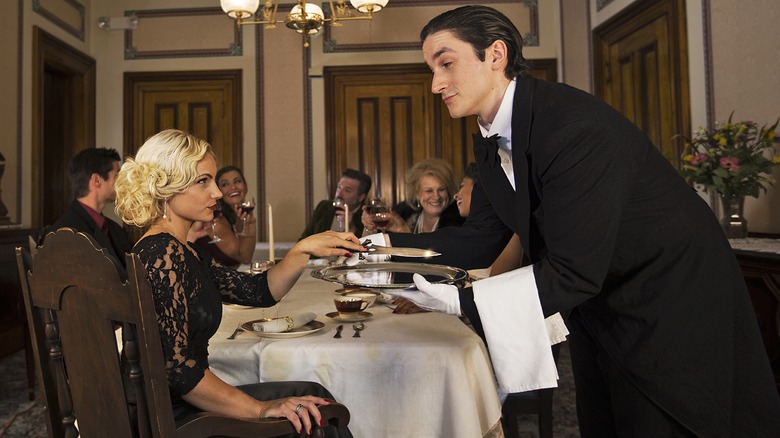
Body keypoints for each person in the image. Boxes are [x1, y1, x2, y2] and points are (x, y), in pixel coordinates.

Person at [387, 5, 780, 436]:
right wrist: (382, 251)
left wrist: (460, 302)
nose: (435, 83)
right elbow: (486, 237)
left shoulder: (573, 126)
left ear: (495, 54)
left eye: (446, 63)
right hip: (600, 302)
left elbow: (573, 271)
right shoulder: (488, 140)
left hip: (669, 297)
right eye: (431, 68)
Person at [114, 129, 361, 437]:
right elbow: (177, 372)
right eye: (203, 181)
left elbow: (258, 291)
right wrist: (260, 409)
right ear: (167, 187)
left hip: (185, 403)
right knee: (317, 419)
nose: (217, 192)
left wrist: (302, 250)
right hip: (169, 420)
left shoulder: (183, 250)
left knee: (314, 396)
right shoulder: (160, 252)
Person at [43, 147, 133, 270]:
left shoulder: (115, 229)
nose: (123, 182)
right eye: (117, 175)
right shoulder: (64, 233)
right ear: (97, 180)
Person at [362, 158, 464, 234]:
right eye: (429, 191)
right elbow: (372, 249)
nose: (436, 197)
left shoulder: (460, 221)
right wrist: (369, 226)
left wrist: (406, 234)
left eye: (441, 190)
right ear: (416, 193)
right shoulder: (403, 214)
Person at [194, 165, 256, 267]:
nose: (233, 187)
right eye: (225, 184)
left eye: (237, 181)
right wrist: (251, 225)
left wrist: (251, 223)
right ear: (219, 191)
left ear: (246, 186)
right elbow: (243, 257)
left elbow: (247, 258)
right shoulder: (216, 219)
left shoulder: (234, 216)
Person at [299, 169, 371, 239]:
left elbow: (367, 246)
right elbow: (304, 239)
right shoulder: (323, 207)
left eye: (347, 190)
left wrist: (351, 227)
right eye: (339, 187)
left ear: (360, 197)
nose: (339, 193)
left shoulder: (367, 216)